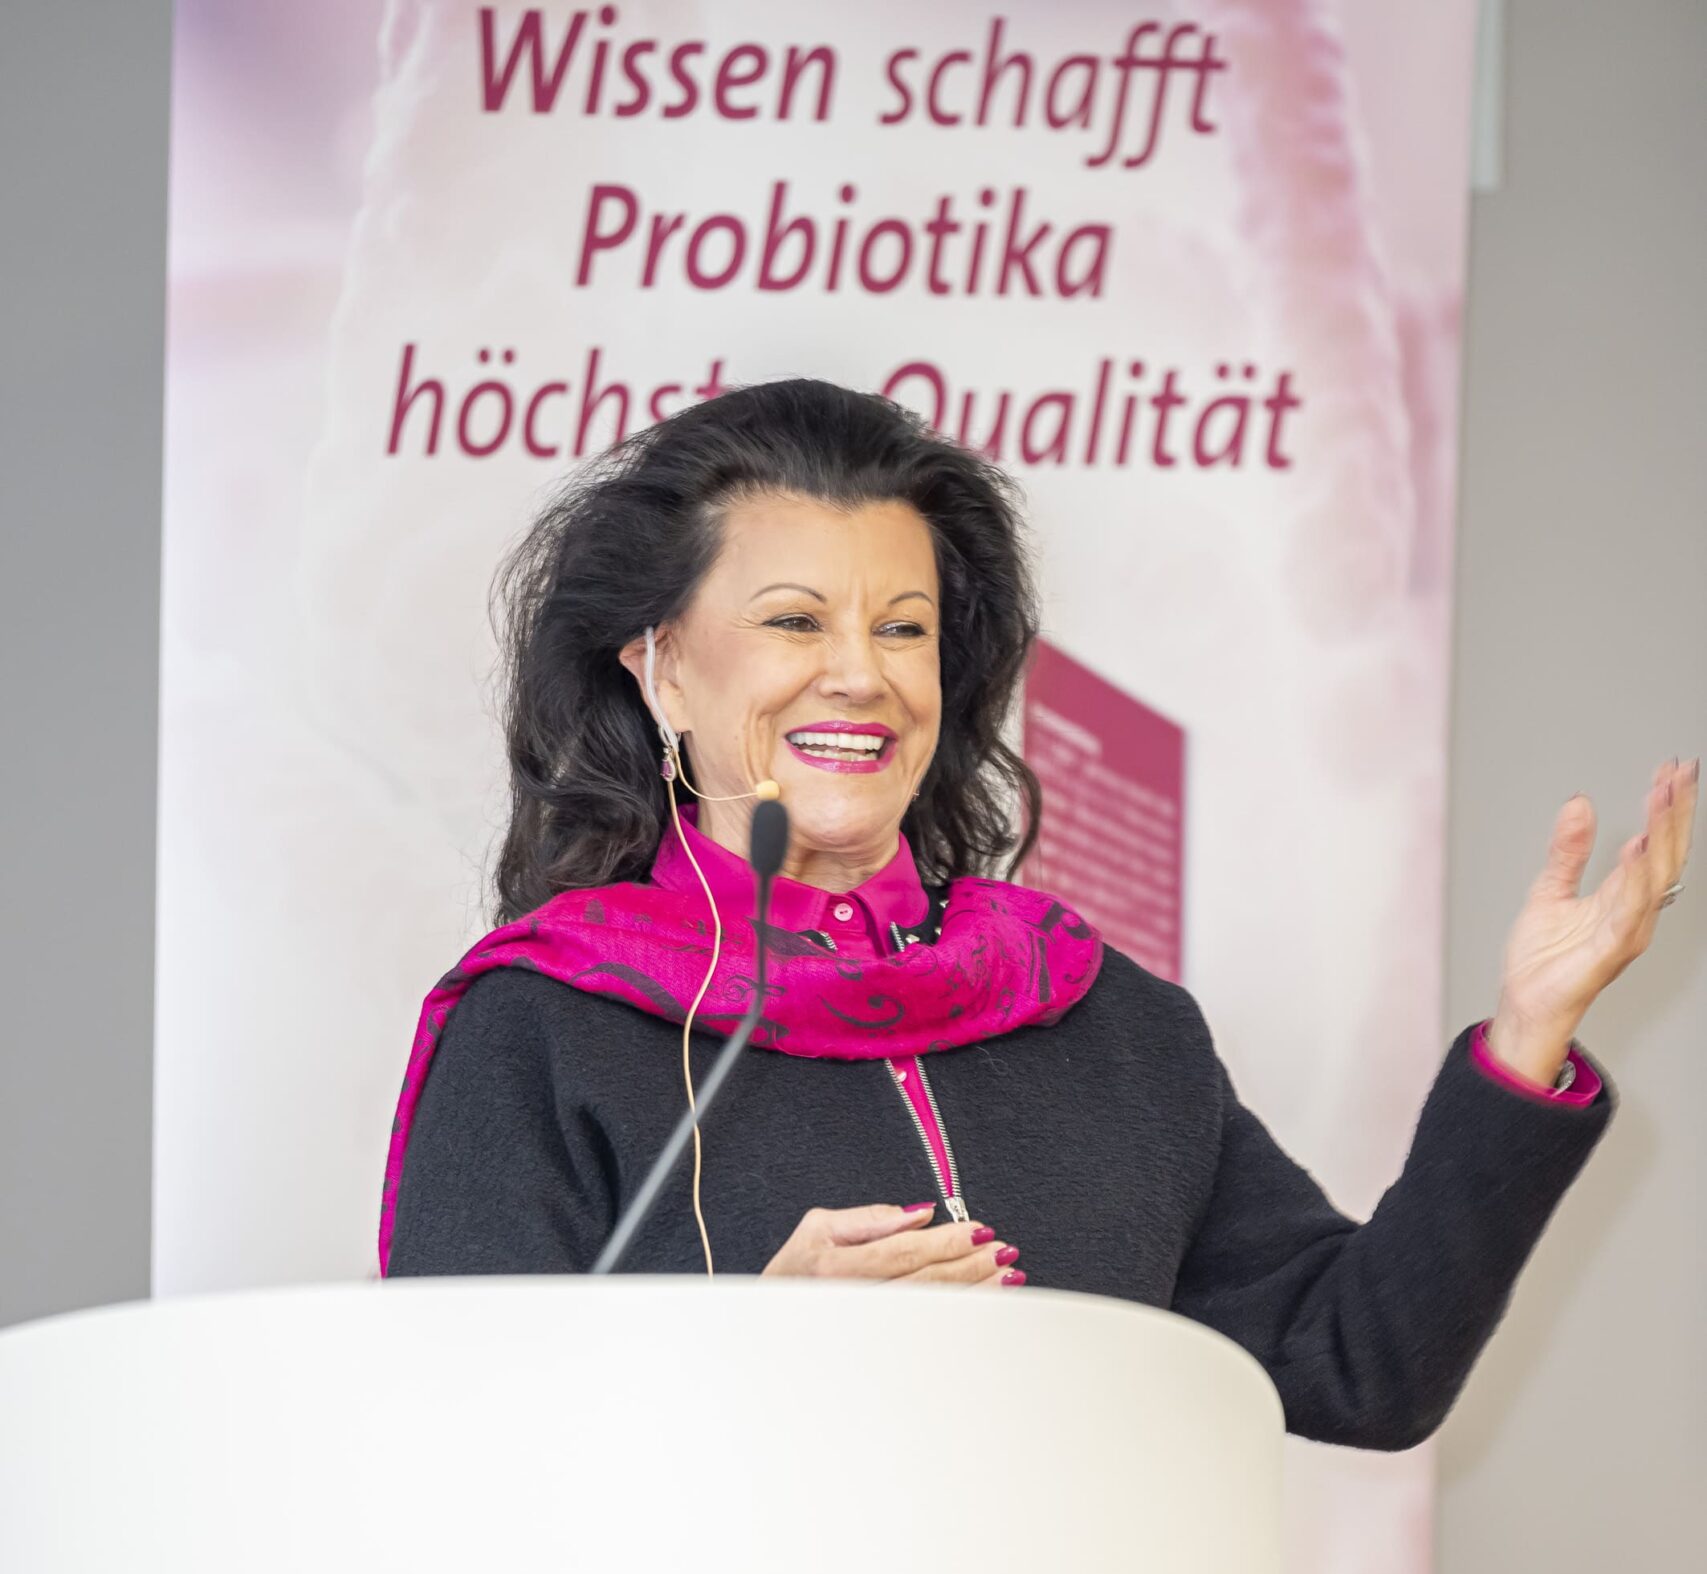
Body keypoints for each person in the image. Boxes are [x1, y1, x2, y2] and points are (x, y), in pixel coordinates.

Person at [382, 377, 1695, 1450]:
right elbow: (454, 1462)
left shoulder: (1101, 1020)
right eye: (794, 620)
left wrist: (1527, 1039)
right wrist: (755, 1347)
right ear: (661, 667)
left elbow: (1361, 1367)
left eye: (905, 629)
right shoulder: (543, 1026)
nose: (860, 675)